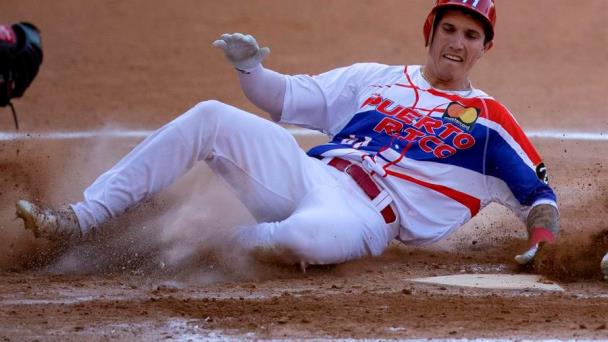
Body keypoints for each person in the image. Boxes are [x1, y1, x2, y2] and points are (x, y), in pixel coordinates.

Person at [16, 0, 560, 270]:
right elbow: (285, 99)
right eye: (449, 28)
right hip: (308, 172)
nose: (457, 43)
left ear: (484, 48)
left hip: (366, 217)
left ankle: (176, 249)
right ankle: (80, 220)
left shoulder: (488, 119)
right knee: (210, 114)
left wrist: (544, 247)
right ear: (431, 32)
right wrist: (251, 71)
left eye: (471, 35)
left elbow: (538, 197)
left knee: (300, 240)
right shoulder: (375, 79)